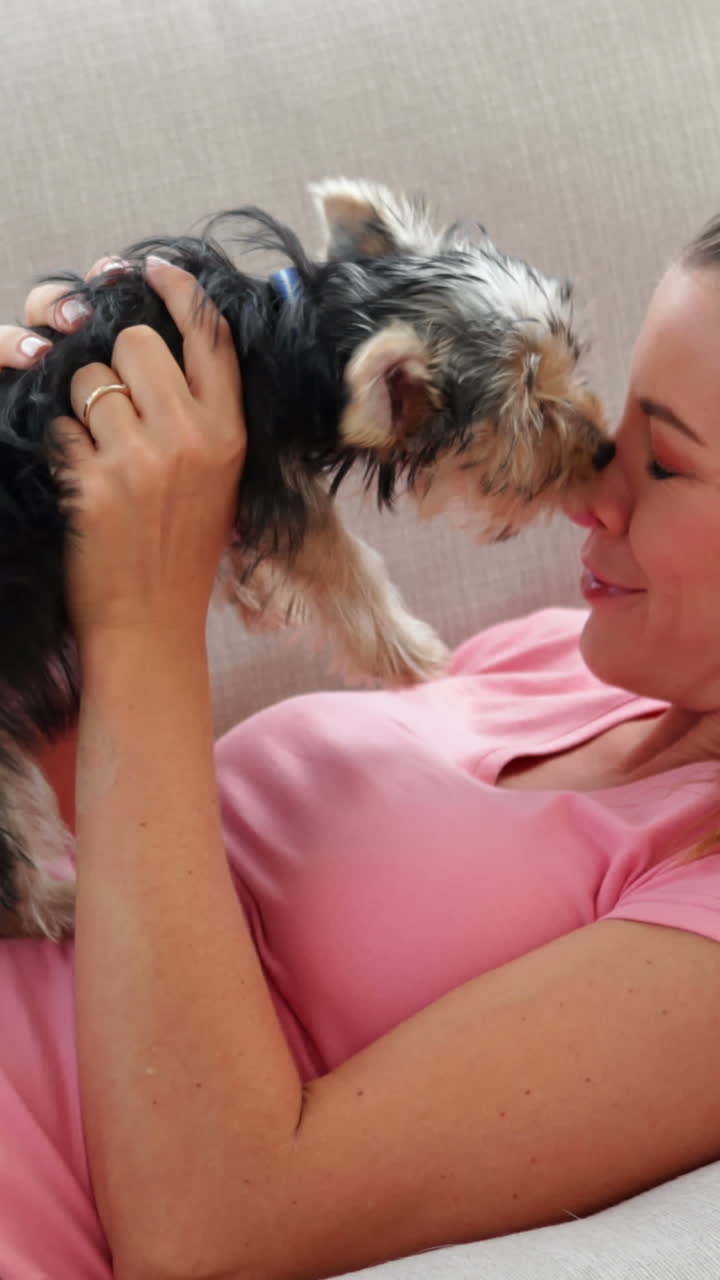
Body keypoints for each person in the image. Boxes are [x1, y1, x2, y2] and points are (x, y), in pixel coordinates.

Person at [2, 227, 720, 1280]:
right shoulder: (562, 660)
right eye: (616, 438)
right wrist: (56, 506)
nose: (589, 492)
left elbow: (215, 1232)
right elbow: (100, 814)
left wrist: (141, 616)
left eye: (665, 462)